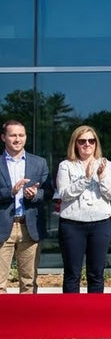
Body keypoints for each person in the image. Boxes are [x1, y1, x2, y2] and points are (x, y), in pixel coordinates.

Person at [56, 125, 111, 293]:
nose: (87, 144)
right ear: (75, 144)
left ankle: (95, 315)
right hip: (72, 224)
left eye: (91, 140)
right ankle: (71, 314)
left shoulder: (107, 164)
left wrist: (102, 177)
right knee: (72, 273)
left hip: (100, 224)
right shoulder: (65, 165)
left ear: (96, 144)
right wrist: (86, 178)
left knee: (96, 273)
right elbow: (64, 194)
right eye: (82, 141)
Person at [0, 120, 50, 294]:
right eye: (13, 135)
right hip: (2, 227)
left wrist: (35, 195)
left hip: (29, 227)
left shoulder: (39, 163)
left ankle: (27, 321)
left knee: (28, 283)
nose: (17, 139)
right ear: (3, 137)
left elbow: (49, 192)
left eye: (21, 135)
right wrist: (10, 192)